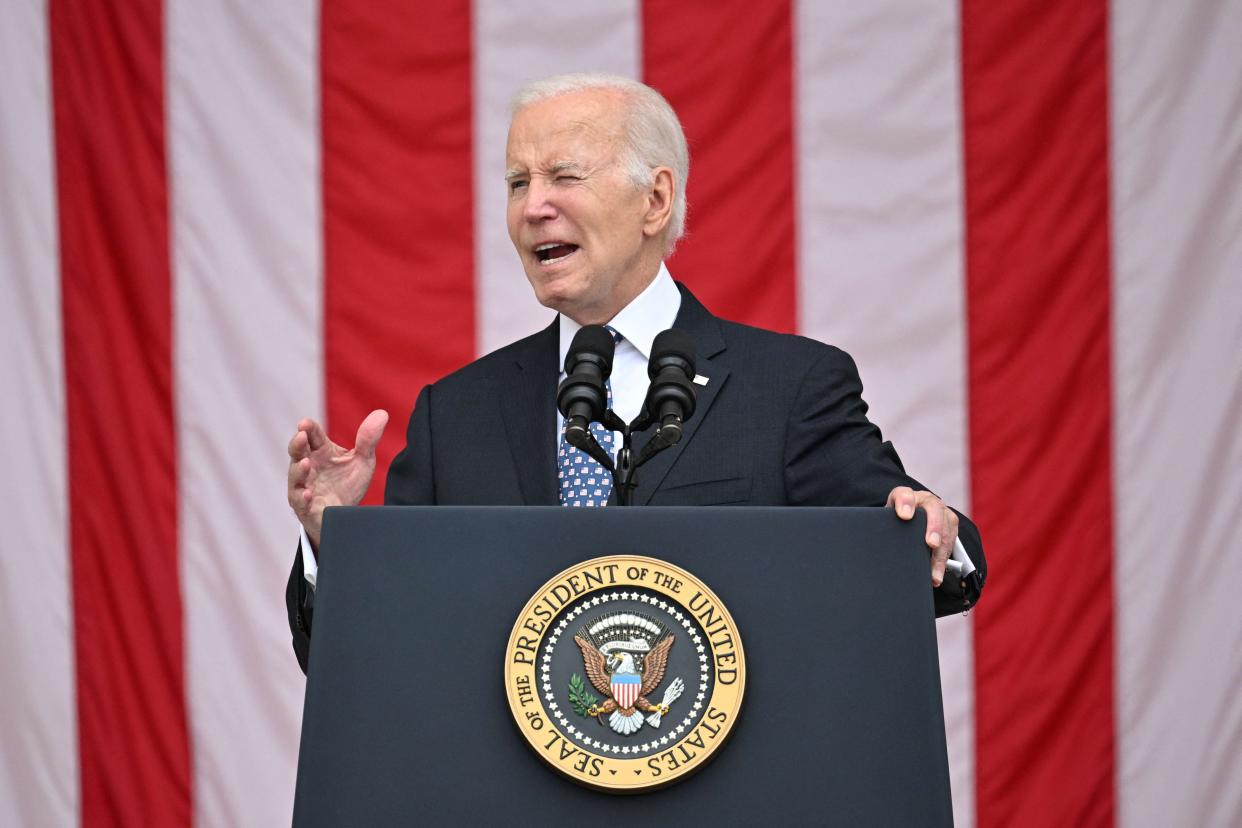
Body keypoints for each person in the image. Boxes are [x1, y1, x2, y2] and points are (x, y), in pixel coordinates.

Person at [285, 74, 985, 672]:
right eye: (517, 182)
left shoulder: (790, 389)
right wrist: (335, 540)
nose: (533, 207)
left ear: (655, 199)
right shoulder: (457, 412)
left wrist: (925, 535)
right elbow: (367, 650)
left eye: (564, 176)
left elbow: (925, 565)